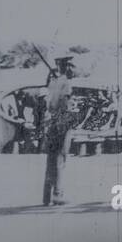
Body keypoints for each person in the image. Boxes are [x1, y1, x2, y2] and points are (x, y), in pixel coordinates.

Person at [42, 56, 75, 206]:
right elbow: (66, 104)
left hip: (51, 122)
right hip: (61, 122)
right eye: (71, 66)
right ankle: (58, 194)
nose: (73, 69)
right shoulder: (66, 83)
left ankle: (46, 196)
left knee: (51, 159)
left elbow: (48, 104)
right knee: (60, 159)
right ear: (66, 66)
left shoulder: (52, 82)